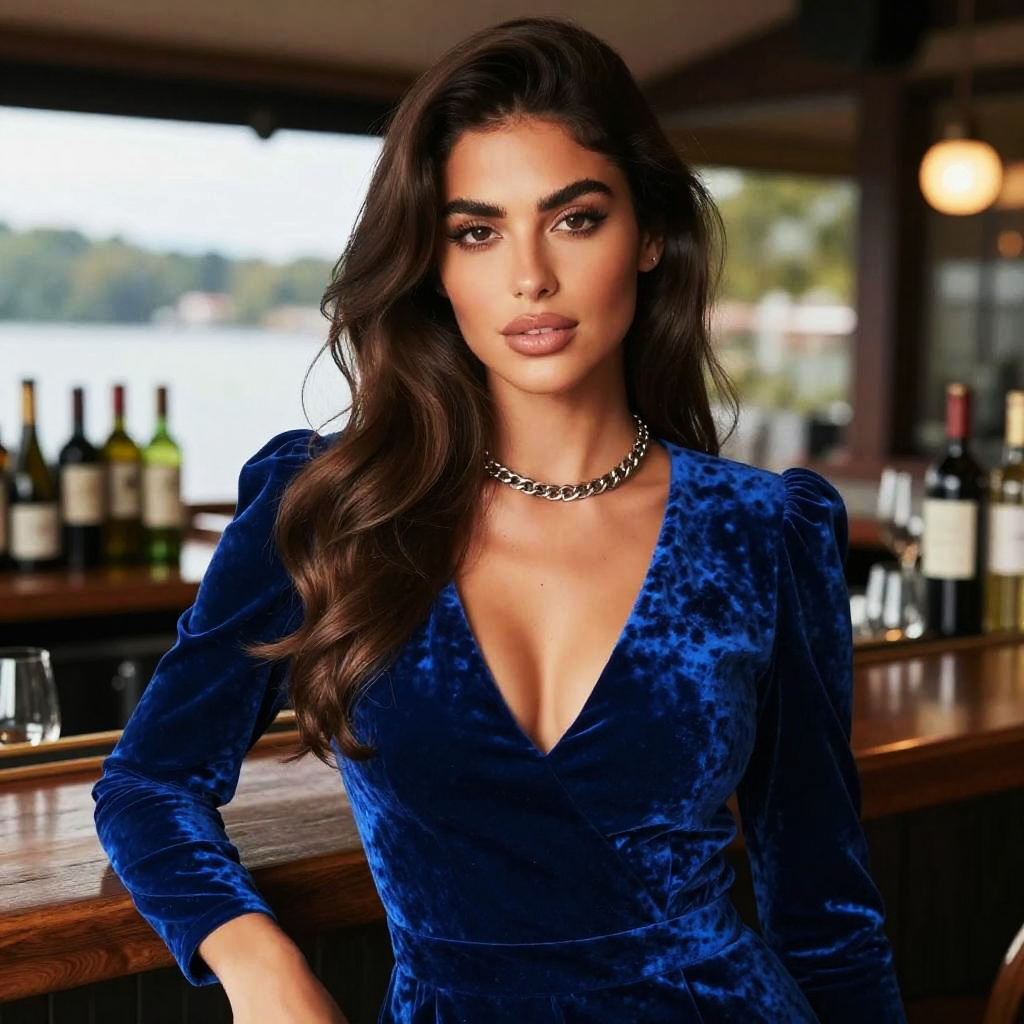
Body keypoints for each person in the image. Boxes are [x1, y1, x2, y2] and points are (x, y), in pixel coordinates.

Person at [92, 15, 908, 1024]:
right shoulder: (332, 508)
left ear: (650, 235)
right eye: (477, 231)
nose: (530, 275)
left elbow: (826, 913)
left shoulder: (762, 531)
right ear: (433, 265)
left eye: (575, 219)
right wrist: (259, 963)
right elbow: (148, 783)